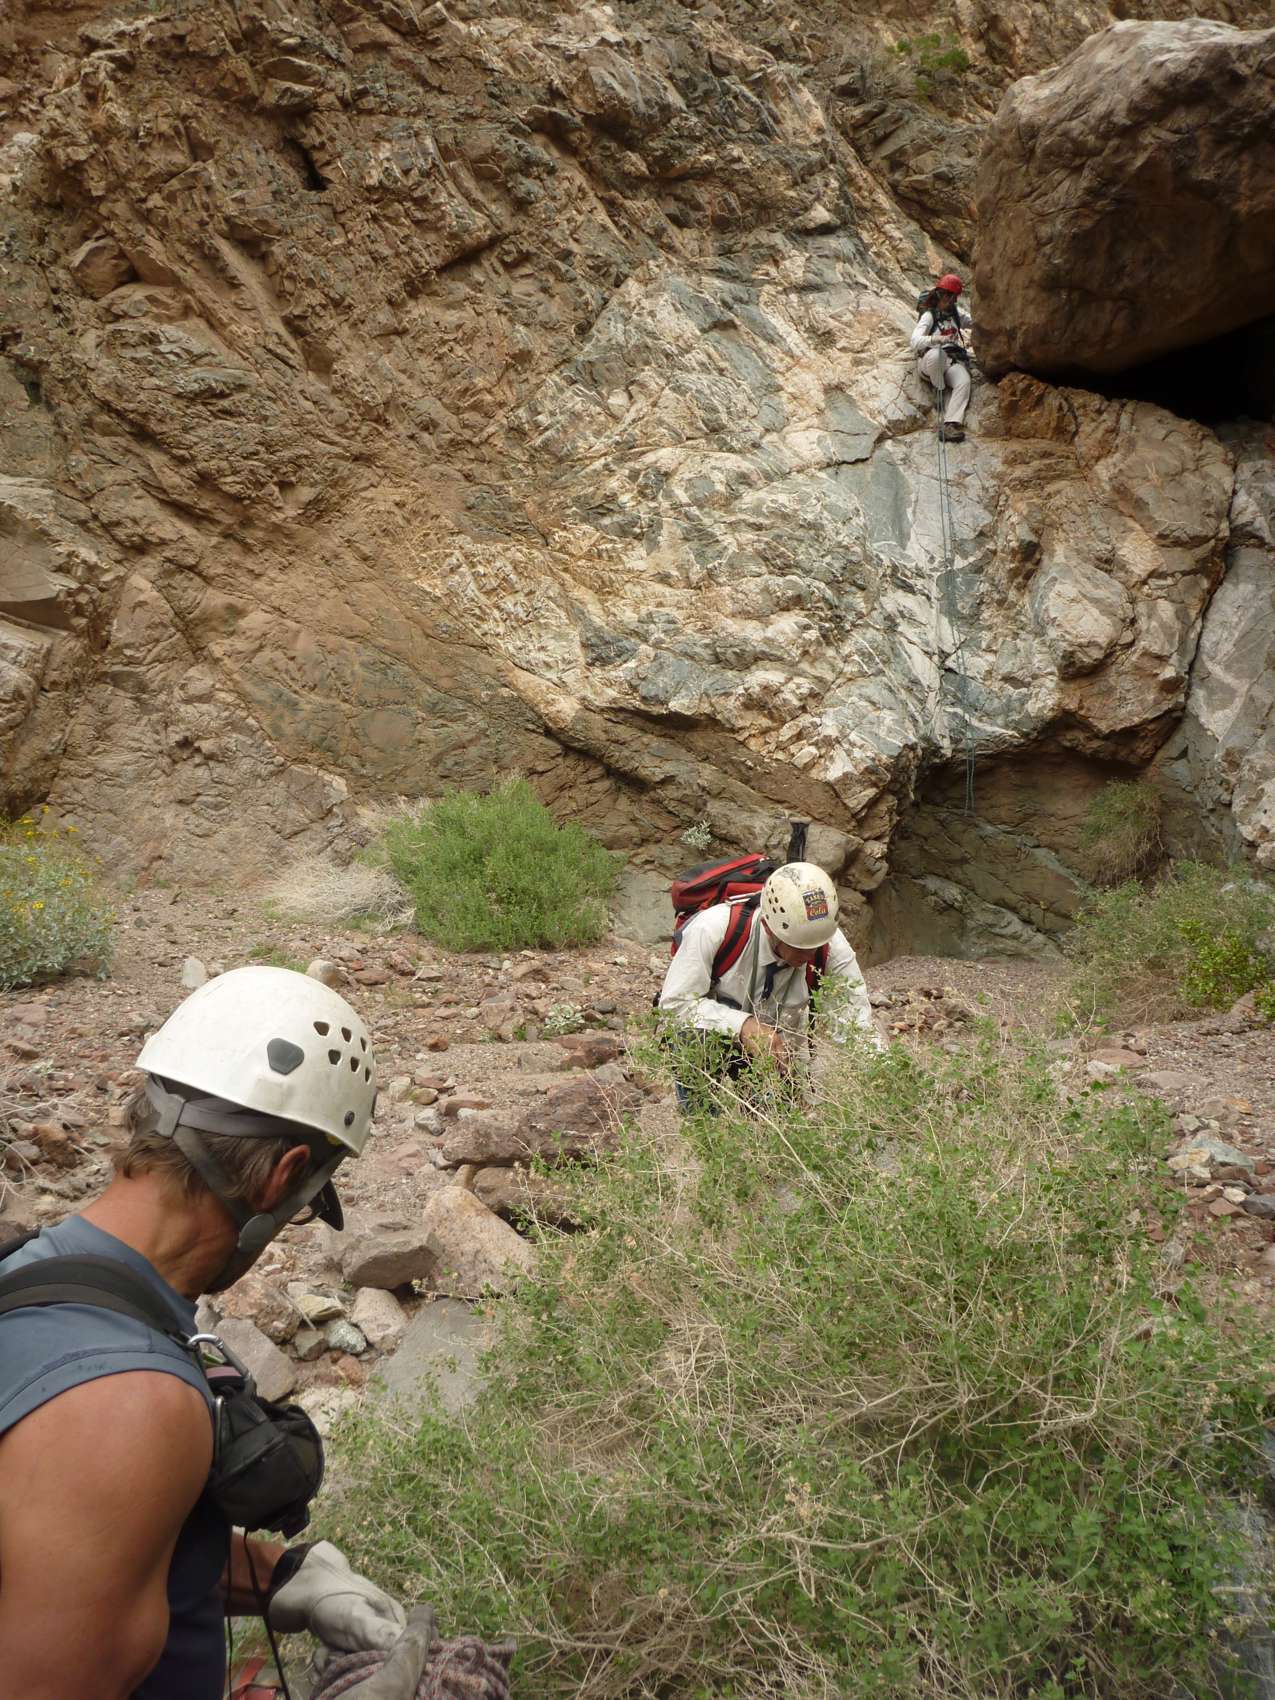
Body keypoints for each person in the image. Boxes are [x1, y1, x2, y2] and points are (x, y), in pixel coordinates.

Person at [0, 966, 406, 1700]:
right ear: (283, 1175)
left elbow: (73, 1550)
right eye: (307, 1204)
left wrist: (280, 1576)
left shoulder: (33, 1272)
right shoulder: (131, 1404)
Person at [657, 861, 882, 1103]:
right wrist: (743, 1026)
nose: (810, 954)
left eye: (817, 946)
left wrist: (885, 1076)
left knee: (781, 1114)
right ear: (768, 927)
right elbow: (674, 1005)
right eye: (799, 947)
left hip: (779, 1048)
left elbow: (857, 1027)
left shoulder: (829, 943)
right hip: (716, 1036)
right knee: (691, 1041)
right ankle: (703, 1121)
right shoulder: (712, 928)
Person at [911, 272, 973, 443]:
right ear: (939, 294)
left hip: (949, 361)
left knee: (963, 380)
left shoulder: (955, 315)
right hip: (930, 361)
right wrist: (935, 339)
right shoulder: (929, 316)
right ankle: (938, 389)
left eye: (952, 296)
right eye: (946, 294)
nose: (949, 299)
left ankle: (950, 424)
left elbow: (972, 322)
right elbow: (914, 341)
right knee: (938, 354)